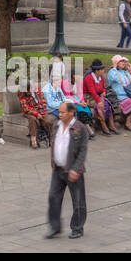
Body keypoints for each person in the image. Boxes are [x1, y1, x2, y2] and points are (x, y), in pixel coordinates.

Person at [44, 102, 88, 240]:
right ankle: (55, 227)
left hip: (73, 170)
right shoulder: (56, 125)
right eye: (59, 112)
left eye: (62, 112)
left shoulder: (80, 128)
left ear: (71, 113)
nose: (60, 114)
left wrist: (76, 169)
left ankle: (77, 228)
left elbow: (83, 151)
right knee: (53, 197)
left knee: (78, 200)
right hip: (58, 169)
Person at [108, 55, 131, 130]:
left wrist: (130, 70)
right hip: (121, 96)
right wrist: (115, 67)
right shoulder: (112, 72)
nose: (124, 63)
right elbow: (113, 77)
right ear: (116, 63)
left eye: (124, 61)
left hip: (130, 94)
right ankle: (127, 124)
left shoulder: (125, 72)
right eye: (121, 61)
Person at [18, 80, 50, 148]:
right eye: (30, 89)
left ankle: (51, 138)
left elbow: (43, 100)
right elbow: (26, 109)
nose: (32, 89)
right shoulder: (22, 94)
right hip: (29, 112)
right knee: (33, 119)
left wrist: (41, 110)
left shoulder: (37, 89)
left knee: (47, 121)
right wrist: (36, 114)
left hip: (40, 110)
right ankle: (33, 139)